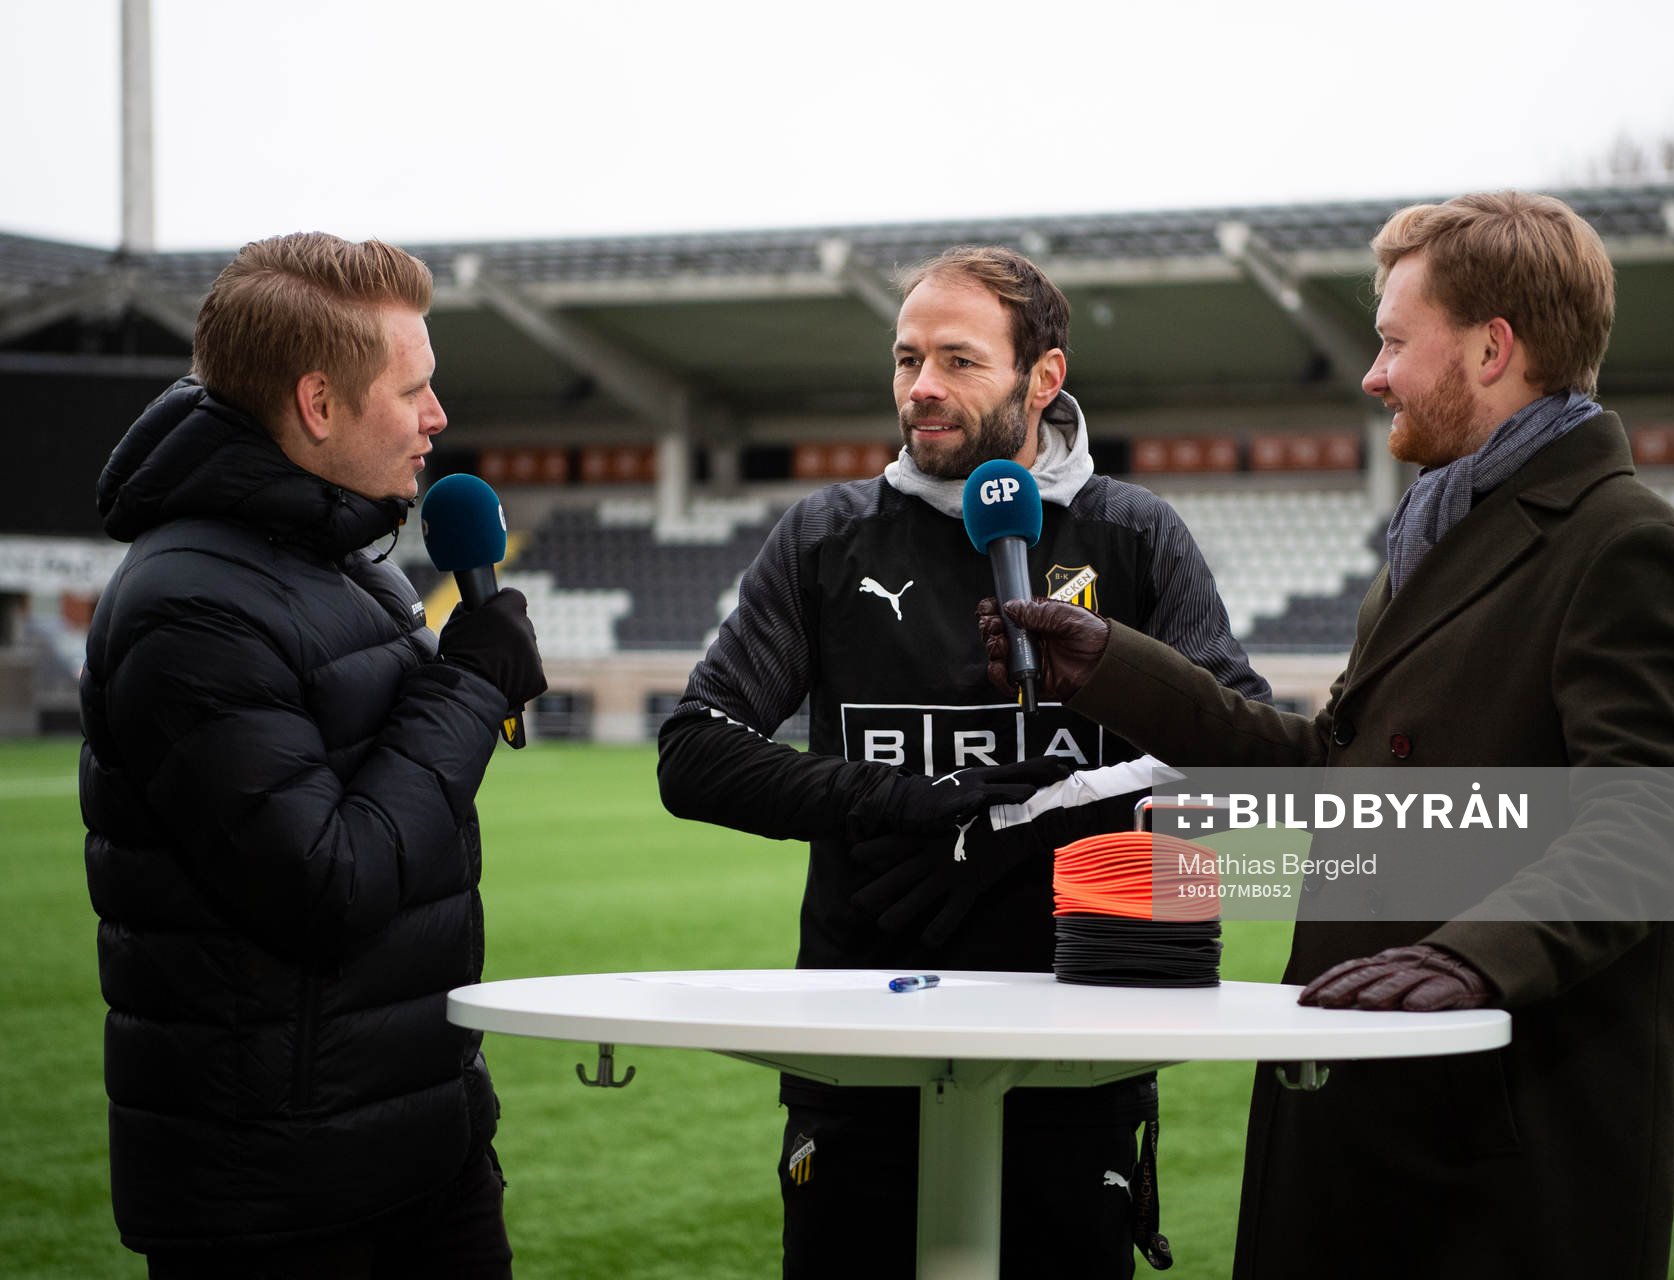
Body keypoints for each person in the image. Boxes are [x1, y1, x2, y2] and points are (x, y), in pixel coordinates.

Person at [982, 192, 1674, 1279]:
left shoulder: (1626, 543)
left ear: (1491, 347)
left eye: (1391, 340)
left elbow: (1649, 824)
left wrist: (1474, 957)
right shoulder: (1439, 535)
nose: (1373, 373)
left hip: (1495, 1150)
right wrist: (1114, 666)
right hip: (1356, 1101)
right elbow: (1336, 766)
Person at [656, 245, 1268, 1276]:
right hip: (859, 1051)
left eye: (957, 360)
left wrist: (1037, 829)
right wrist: (904, 800)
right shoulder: (824, 537)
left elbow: (1242, 754)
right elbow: (695, 752)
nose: (921, 388)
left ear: (1044, 378)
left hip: (1076, 1052)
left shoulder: (1133, 534)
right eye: (906, 360)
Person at [78, 232, 546, 1278]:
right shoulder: (187, 608)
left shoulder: (346, 557)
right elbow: (326, 882)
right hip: (282, 1200)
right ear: (318, 405)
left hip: (419, 1148)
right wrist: (470, 684)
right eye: (414, 389)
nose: (439, 418)